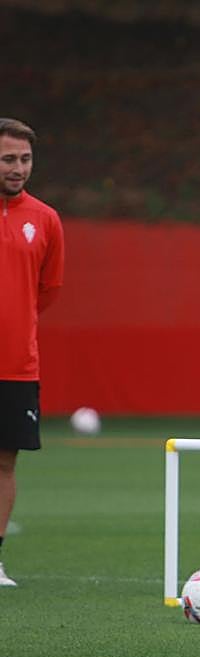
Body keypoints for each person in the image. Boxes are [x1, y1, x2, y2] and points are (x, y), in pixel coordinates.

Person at [0, 118, 65, 587]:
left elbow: (47, 290)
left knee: (5, 462)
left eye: (25, 159)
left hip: (17, 366)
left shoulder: (45, 219)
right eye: (8, 159)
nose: (18, 168)